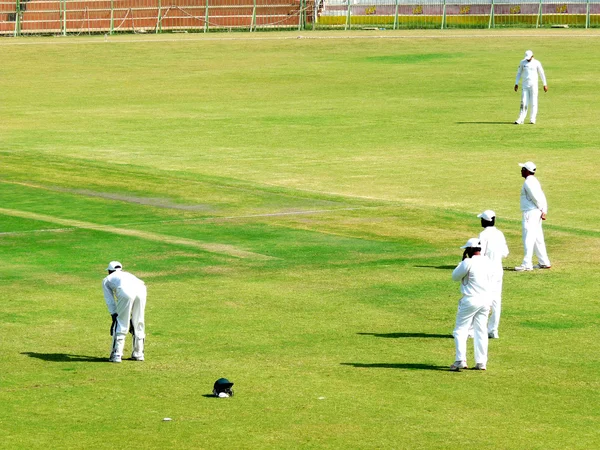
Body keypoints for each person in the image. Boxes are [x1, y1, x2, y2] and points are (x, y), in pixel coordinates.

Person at [450, 238, 493, 371]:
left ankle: (460, 360)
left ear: (469, 250)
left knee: (460, 330)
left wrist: (462, 262)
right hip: (486, 299)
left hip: (470, 299)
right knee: (481, 330)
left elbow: (455, 277)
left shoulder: (468, 262)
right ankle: (481, 362)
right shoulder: (488, 261)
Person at [102, 261, 147, 363]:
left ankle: (116, 355)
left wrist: (114, 315)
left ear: (109, 271)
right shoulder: (128, 275)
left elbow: (109, 300)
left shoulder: (107, 279)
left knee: (121, 323)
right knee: (139, 321)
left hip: (125, 291)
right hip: (141, 289)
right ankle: (139, 354)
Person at [477, 210, 509, 338]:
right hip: (498, 269)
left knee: (481, 298)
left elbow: (481, 253)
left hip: (486, 271)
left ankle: (477, 329)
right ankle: (493, 330)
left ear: (484, 221)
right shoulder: (499, 234)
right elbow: (505, 253)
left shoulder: (483, 235)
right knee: (496, 300)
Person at [515, 162, 551, 271]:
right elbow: (542, 196)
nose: (521, 170)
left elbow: (537, 198)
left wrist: (542, 210)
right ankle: (544, 262)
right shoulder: (534, 181)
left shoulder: (528, 182)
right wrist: (544, 210)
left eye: (522, 169)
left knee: (528, 237)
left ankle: (527, 264)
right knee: (537, 238)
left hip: (530, 213)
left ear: (526, 170)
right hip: (536, 212)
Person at [514, 50, 548, 125]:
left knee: (533, 102)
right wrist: (516, 83)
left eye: (529, 58)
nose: (528, 59)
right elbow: (519, 73)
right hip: (525, 85)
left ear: (532, 56)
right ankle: (521, 119)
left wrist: (544, 84)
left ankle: (532, 118)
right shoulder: (522, 62)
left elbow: (541, 73)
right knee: (523, 102)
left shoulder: (537, 63)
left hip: (534, 85)